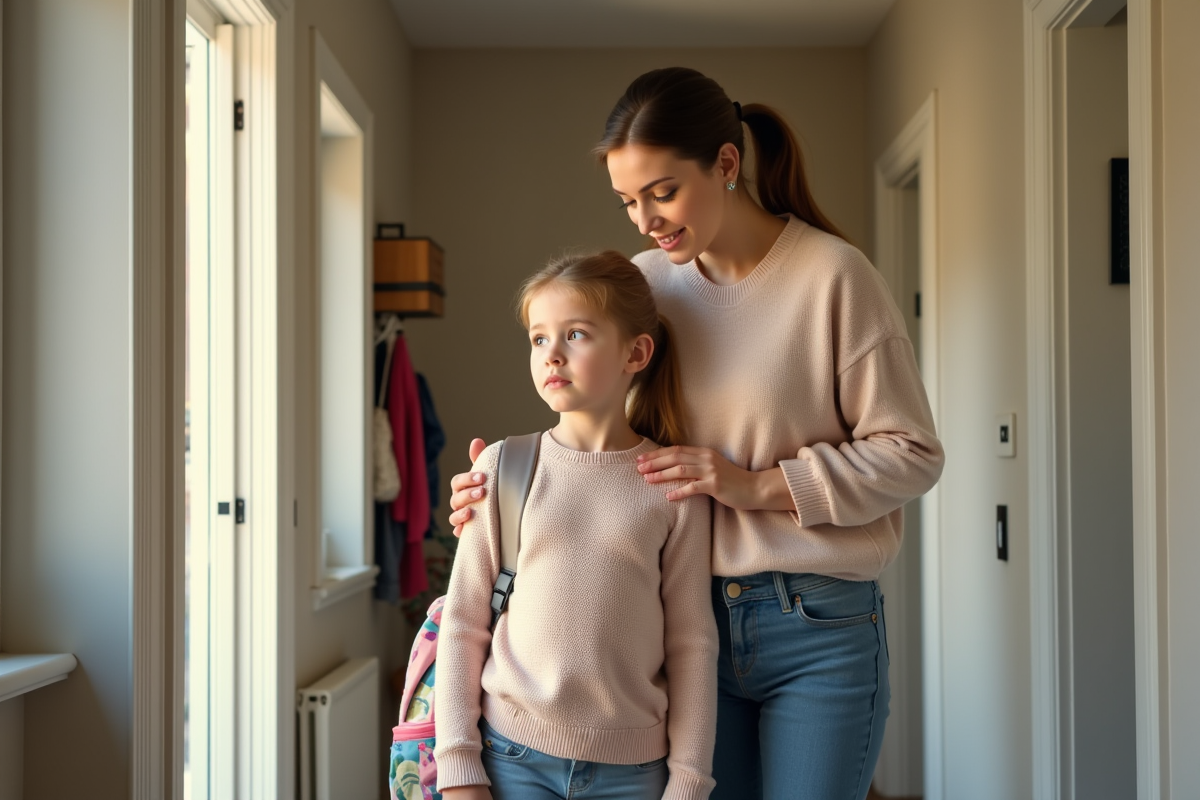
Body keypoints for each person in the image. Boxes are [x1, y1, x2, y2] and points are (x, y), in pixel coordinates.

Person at [447, 67, 945, 800]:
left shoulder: (836, 278)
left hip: (814, 621)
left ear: (726, 163)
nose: (646, 219)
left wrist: (754, 487)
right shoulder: (648, 286)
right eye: (627, 201)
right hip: (683, 626)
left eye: (663, 192)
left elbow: (912, 454)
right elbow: (611, 444)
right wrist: (505, 491)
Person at [436, 251, 719, 800]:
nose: (552, 356)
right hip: (511, 757)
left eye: (576, 335)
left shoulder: (672, 485)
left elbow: (692, 642)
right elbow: (464, 622)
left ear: (635, 353)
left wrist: (689, 780)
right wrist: (459, 769)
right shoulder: (502, 467)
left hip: (634, 774)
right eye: (539, 339)